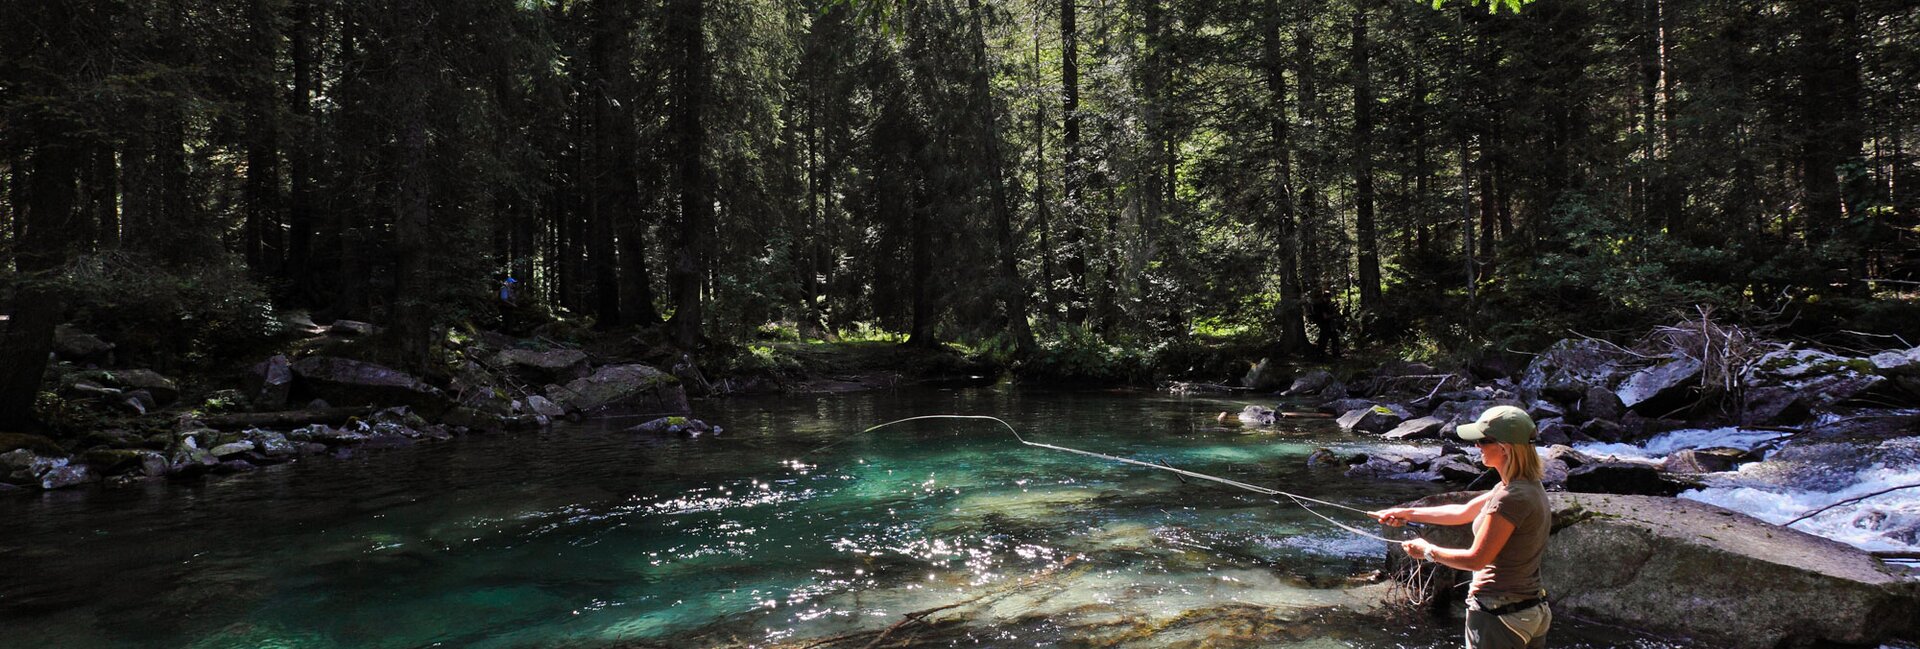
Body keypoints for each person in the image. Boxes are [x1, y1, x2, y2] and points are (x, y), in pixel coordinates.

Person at [1370, 405, 1552, 648]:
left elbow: (1475, 559)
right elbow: (1462, 512)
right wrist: (1405, 513)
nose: (1477, 446)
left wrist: (1427, 551)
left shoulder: (1510, 497)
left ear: (1505, 447)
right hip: (1531, 611)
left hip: (1499, 615)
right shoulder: (1524, 486)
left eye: (1483, 441)